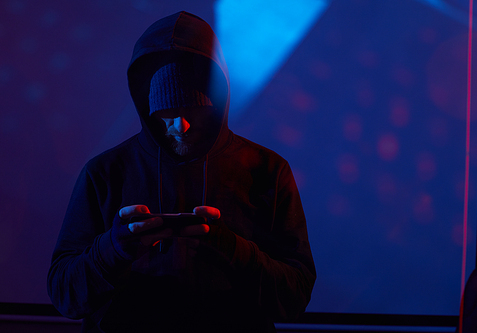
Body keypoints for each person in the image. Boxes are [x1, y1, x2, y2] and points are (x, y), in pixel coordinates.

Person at [47, 11, 316, 333]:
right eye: (167, 113)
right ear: (147, 109)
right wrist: (118, 245)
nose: (181, 126)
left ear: (216, 105)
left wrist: (229, 247)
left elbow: (294, 297)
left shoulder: (267, 171)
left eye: (193, 110)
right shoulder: (106, 172)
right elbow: (66, 296)